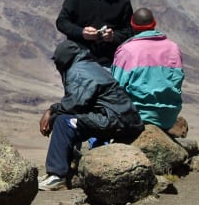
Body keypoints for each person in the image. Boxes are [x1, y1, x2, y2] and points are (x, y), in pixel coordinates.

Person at [38, 40, 144, 191]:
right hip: (120, 118)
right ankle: (66, 169)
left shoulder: (79, 71)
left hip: (114, 119)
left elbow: (74, 105)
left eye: (56, 61)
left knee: (63, 121)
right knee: (64, 118)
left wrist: (50, 111)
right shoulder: (88, 65)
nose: (56, 65)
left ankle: (57, 176)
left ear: (62, 59)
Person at [111, 8, 184, 130]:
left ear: (132, 25)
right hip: (168, 117)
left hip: (138, 116)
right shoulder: (173, 48)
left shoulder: (127, 50)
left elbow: (115, 88)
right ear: (154, 23)